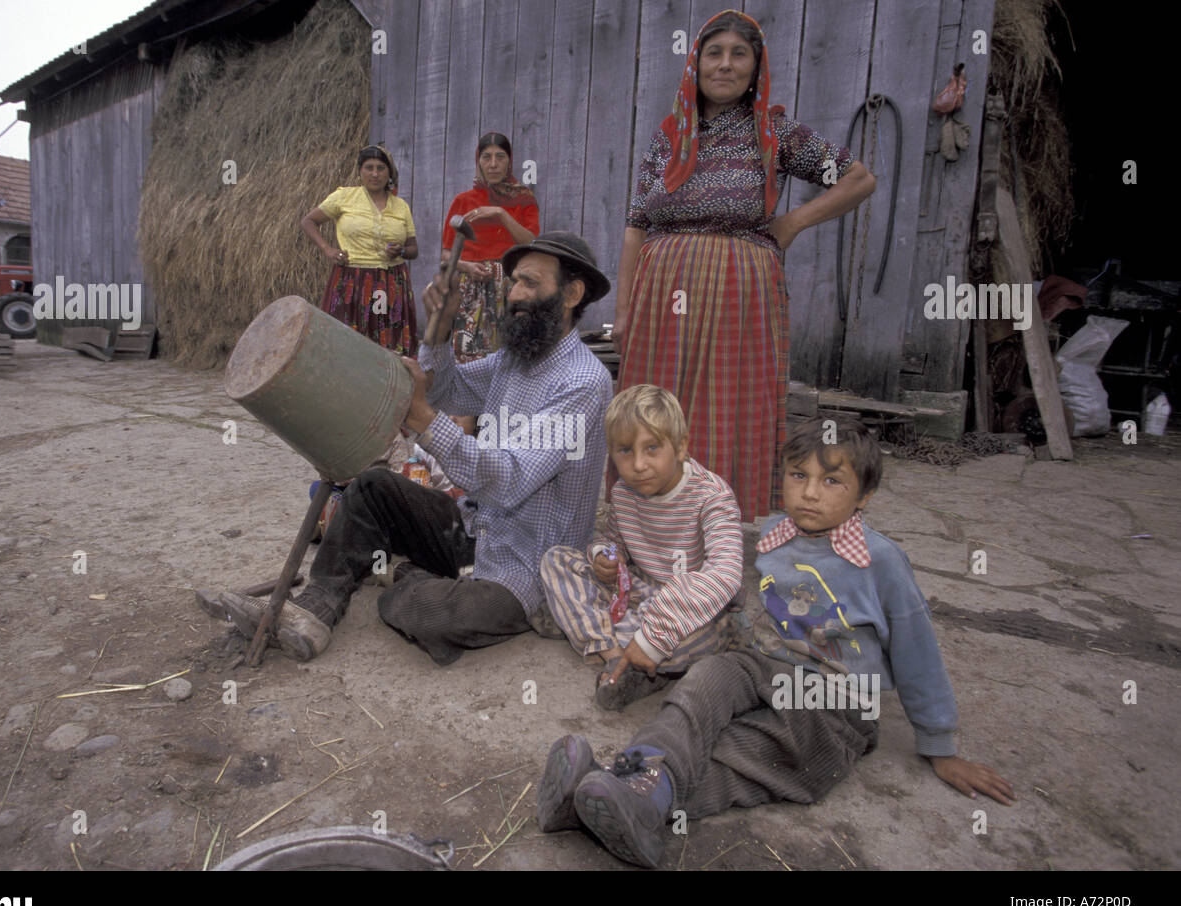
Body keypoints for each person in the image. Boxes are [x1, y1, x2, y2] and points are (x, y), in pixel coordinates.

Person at [536, 415, 1016, 867]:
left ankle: (609, 799)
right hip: (765, 667)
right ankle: (637, 775)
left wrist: (940, 746)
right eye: (797, 475)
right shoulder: (773, 536)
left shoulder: (882, 562)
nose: (809, 493)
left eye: (832, 481)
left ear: (865, 494)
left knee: (751, 754)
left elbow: (917, 651)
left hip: (835, 702)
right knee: (705, 685)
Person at [218, 232, 614, 665]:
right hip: (475, 530)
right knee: (372, 487)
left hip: (531, 567)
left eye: (531, 284)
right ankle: (316, 608)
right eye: (515, 281)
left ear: (572, 294)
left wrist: (425, 420)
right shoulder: (514, 358)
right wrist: (439, 331)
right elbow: (447, 391)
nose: (515, 294)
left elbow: (507, 479)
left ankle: (401, 572)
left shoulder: (583, 382)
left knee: (429, 615)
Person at [612, 11, 877, 522]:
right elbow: (635, 225)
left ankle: (713, 522)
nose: (725, 65)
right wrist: (623, 311)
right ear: (696, 64)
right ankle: (651, 518)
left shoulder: (775, 134)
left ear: (756, 67)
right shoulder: (670, 137)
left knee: (723, 407)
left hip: (738, 290)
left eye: (739, 55)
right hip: (662, 293)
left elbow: (858, 179)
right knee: (656, 403)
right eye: (714, 53)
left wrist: (793, 222)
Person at [539, 384, 742, 711]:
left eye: (652, 448)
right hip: (640, 595)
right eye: (625, 451)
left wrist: (653, 637)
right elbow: (612, 545)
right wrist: (605, 556)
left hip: (691, 609)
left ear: (680, 448)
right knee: (556, 560)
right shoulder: (622, 494)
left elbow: (726, 574)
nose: (638, 464)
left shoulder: (712, 497)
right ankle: (616, 657)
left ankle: (614, 644)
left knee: (716, 631)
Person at [300, 145, 419, 355]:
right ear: (360, 171)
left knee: (388, 345)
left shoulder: (400, 206)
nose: (375, 174)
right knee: (347, 344)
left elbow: (413, 250)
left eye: (381, 168)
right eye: (369, 168)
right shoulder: (344, 197)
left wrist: (400, 251)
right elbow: (308, 221)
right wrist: (328, 249)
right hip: (352, 281)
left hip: (391, 282)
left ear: (389, 173)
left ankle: (389, 386)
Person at [440, 132, 540, 363]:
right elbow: (446, 255)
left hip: (513, 284)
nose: (493, 164)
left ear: (509, 161)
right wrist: (467, 266)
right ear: (479, 162)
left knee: (513, 353)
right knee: (468, 354)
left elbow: (530, 243)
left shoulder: (524, 199)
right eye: (486, 157)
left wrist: (500, 213)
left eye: (500, 157)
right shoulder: (463, 201)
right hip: (472, 285)